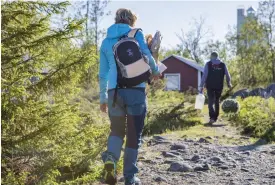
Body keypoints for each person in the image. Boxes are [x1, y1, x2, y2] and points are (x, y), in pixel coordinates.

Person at [99, 8, 160, 185]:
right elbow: (147, 56)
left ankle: (110, 160)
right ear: (131, 21)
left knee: (116, 131)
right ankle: (130, 177)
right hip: (136, 91)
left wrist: (103, 98)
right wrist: (155, 71)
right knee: (134, 135)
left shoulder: (105, 42)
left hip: (114, 93)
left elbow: (102, 74)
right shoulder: (135, 34)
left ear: (115, 20)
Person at [199, 51, 232, 125]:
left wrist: (201, 85)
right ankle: (215, 117)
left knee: (210, 102)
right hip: (219, 86)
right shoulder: (223, 64)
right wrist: (229, 83)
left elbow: (204, 75)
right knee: (217, 101)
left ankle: (212, 118)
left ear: (211, 57)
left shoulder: (208, 64)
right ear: (217, 56)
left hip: (210, 86)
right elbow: (227, 74)